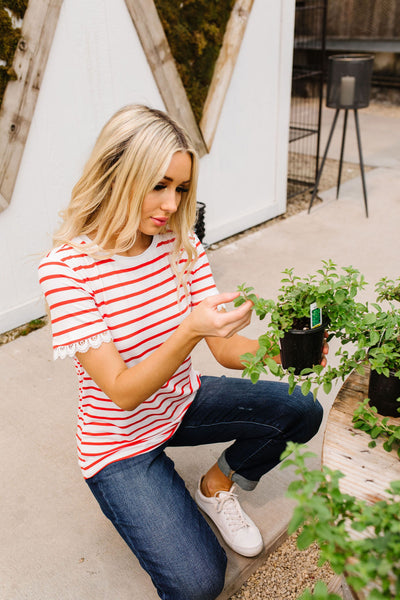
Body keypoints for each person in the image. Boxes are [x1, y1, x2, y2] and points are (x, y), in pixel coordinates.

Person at [38, 104, 325, 600]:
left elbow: (226, 348)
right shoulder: (67, 271)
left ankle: (217, 485)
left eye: (182, 188)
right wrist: (190, 329)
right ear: (116, 173)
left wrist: (284, 352)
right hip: (119, 444)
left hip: (181, 402)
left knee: (302, 408)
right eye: (159, 184)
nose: (171, 205)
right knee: (198, 583)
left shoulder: (180, 244)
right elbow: (123, 391)